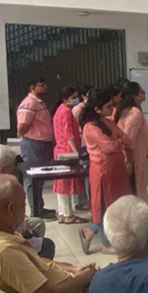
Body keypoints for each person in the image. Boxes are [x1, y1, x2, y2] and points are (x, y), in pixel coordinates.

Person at [79, 89, 133, 254]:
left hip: (116, 169)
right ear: (97, 109)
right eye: (109, 106)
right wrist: (118, 142)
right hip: (103, 171)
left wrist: (118, 142)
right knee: (104, 207)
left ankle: (88, 233)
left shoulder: (107, 121)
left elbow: (125, 137)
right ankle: (106, 243)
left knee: (117, 205)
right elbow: (110, 146)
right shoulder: (90, 127)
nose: (113, 109)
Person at [16, 78, 55, 219]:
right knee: (34, 178)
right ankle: (35, 211)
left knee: (40, 178)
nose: (45, 87)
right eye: (42, 85)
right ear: (33, 87)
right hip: (34, 144)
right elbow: (22, 127)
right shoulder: (29, 103)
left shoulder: (38, 102)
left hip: (42, 144)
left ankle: (40, 207)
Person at [51, 87, 88, 224]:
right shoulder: (66, 112)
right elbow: (69, 134)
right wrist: (76, 152)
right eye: (73, 96)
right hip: (67, 151)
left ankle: (63, 212)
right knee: (66, 182)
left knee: (61, 183)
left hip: (60, 149)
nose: (76, 99)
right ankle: (67, 214)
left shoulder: (60, 109)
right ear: (65, 98)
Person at [114, 82, 148, 200]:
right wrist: (129, 161)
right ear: (134, 96)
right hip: (133, 157)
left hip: (134, 156)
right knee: (135, 190)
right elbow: (129, 139)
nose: (144, 93)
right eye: (141, 92)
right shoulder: (134, 113)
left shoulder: (128, 110)